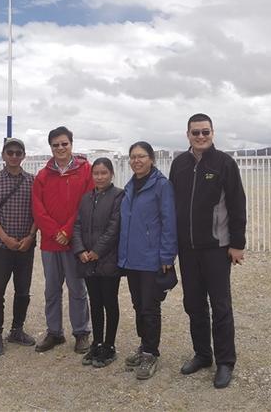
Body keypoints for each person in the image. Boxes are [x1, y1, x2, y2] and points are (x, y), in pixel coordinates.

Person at [168, 113, 247, 389]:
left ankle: (225, 361)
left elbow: (237, 204)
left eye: (205, 132)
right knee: (193, 304)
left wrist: (237, 244)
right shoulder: (179, 164)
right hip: (187, 248)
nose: (200, 136)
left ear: (213, 133)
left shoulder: (224, 163)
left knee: (220, 305)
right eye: (195, 132)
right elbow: (172, 206)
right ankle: (202, 354)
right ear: (187, 134)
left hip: (216, 247)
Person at [118, 141, 177, 380]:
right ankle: (144, 345)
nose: (136, 161)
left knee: (150, 307)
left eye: (141, 156)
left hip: (152, 258)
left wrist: (167, 255)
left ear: (151, 159)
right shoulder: (130, 186)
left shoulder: (162, 185)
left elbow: (169, 221)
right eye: (133, 157)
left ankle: (151, 352)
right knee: (137, 305)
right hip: (132, 258)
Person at [32, 126, 93, 354]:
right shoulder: (42, 175)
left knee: (77, 288)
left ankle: (81, 332)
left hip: (75, 241)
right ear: (51, 147)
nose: (60, 148)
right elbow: (37, 208)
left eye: (64, 144)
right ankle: (54, 332)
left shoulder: (85, 170)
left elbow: (86, 203)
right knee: (52, 290)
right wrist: (53, 231)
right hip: (50, 243)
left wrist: (67, 231)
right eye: (56, 145)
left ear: (71, 144)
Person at [0, 138, 37, 357]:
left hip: (25, 246)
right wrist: (5, 239)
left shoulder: (33, 181)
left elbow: (39, 212)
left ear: (24, 156)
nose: (14, 156)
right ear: (3, 155)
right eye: (10, 152)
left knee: (23, 291)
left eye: (18, 152)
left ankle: (17, 329)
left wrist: (30, 237)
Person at [71, 158, 124, 368]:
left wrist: (96, 251)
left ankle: (109, 345)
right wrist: (80, 250)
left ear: (111, 174)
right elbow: (77, 225)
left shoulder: (118, 195)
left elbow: (114, 228)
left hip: (107, 259)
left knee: (109, 302)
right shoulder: (86, 198)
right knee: (95, 302)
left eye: (104, 173)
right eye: (96, 173)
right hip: (87, 260)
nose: (100, 177)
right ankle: (97, 342)